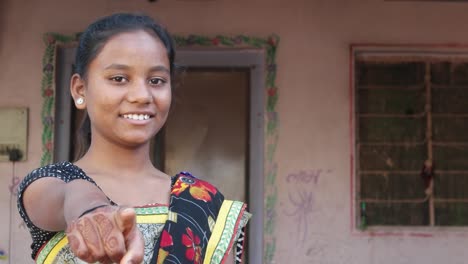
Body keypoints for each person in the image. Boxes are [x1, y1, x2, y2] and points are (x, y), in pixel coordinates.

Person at [17, 13, 250, 264]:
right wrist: (95, 213)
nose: (142, 95)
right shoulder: (50, 183)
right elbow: (70, 193)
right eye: (119, 79)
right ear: (79, 90)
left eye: (156, 80)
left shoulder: (203, 203)